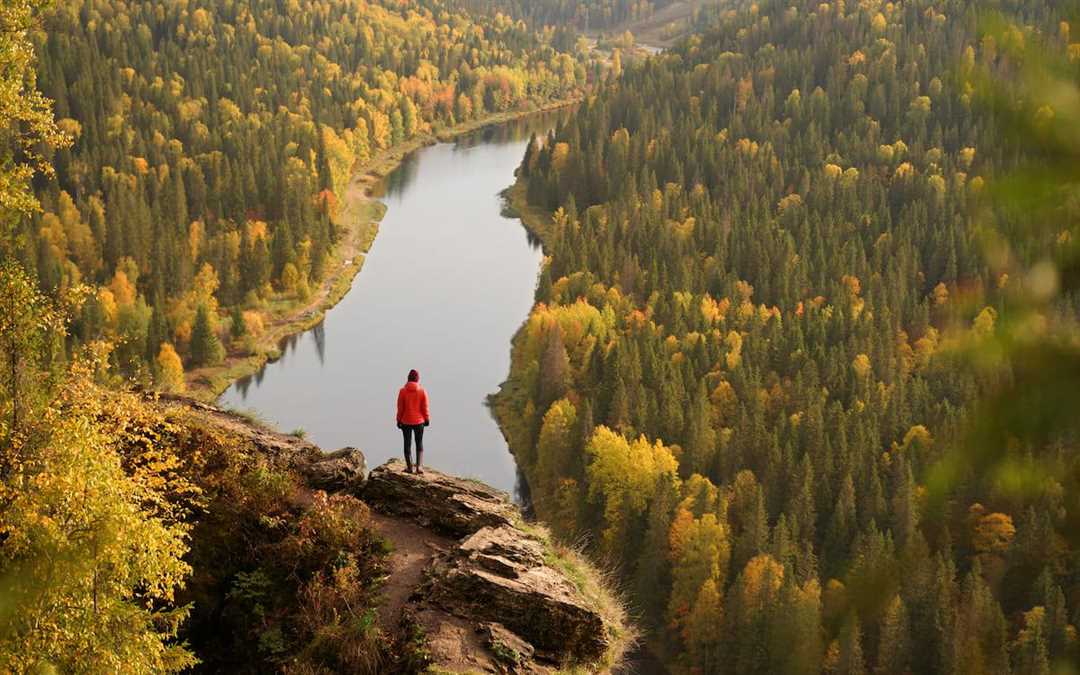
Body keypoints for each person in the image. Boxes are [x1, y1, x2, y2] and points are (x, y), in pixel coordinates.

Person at [396, 369, 430, 474]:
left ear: (408, 378)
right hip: (419, 422)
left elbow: (400, 407)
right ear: (417, 379)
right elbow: (425, 407)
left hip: (405, 421)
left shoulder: (402, 391)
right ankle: (419, 467)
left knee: (407, 444)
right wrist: (427, 419)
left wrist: (398, 419)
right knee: (419, 443)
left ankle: (410, 467)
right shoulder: (422, 391)